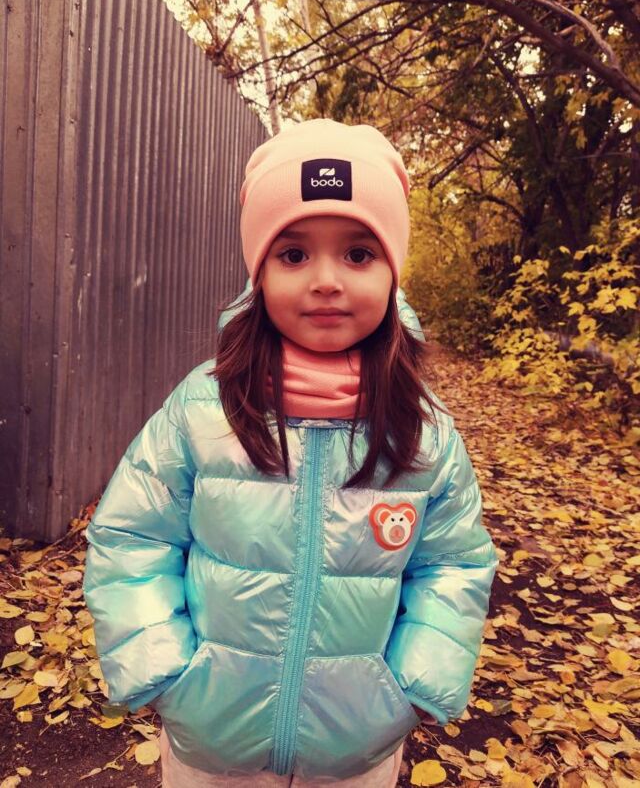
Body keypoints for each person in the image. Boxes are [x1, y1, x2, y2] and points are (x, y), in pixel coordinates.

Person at [82, 118, 499, 787]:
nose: (326, 280)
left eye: (358, 254)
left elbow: (454, 565)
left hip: (356, 749)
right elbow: (132, 537)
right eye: (294, 254)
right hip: (211, 740)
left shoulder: (422, 431)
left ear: (393, 273)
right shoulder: (203, 409)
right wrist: (162, 671)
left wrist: (414, 687)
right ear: (259, 274)